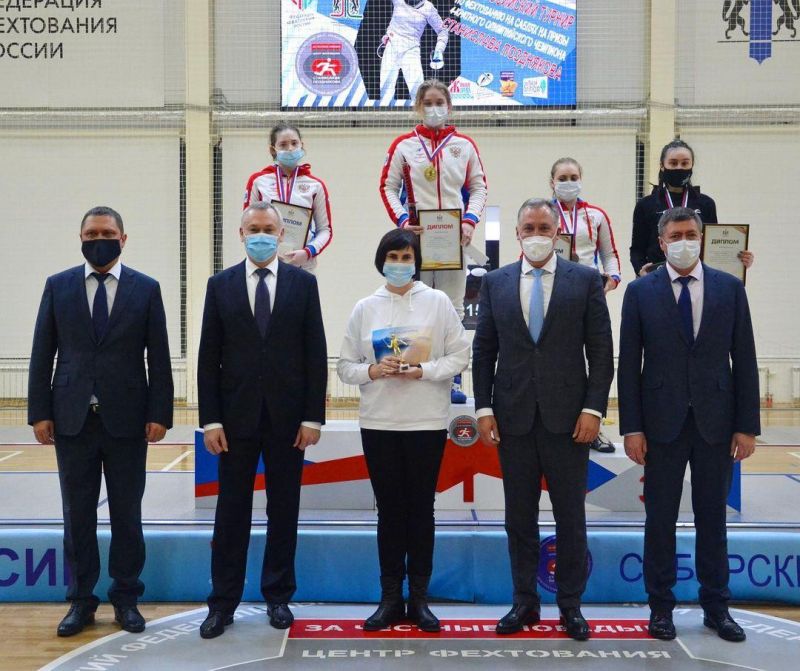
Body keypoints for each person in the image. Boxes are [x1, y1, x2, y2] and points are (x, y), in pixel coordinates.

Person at [28, 206, 173, 637]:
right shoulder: (58, 286)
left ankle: (126, 598)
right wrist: (39, 412)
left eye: (107, 233)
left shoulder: (146, 289)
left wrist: (160, 413)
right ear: (80, 238)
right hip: (71, 419)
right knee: (77, 516)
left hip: (128, 420)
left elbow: (159, 356)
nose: (99, 240)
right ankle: (81, 600)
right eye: (91, 234)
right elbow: (42, 352)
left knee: (127, 513)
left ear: (123, 239)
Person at [472, 198, 613, 641]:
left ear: (557, 233)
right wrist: (483, 408)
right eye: (529, 227)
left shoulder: (584, 281)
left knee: (571, 517)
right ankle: (524, 602)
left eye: (544, 227)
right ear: (518, 233)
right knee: (519, 518)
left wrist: (593, 409)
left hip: (569, 421)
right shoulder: (495, 282)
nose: (536, 234)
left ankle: (570, 605)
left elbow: (601, 352)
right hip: (512, 419)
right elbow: (484, 351)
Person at [618, 206, 760, 643]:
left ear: (702, 238)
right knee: (659, 519)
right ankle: (660, 607)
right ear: (662, 243)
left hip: (717, 422)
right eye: (676, 235)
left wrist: (747, 426)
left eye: (691, 234)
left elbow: (745, 358)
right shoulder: (639, 292)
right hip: (660, 424)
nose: (684, 241)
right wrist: (631, 427)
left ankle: (717, 607)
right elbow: (629, 364)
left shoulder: (730, 288)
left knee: (712, 518)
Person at [197, 201, 328, 639]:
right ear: (240, 233)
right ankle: (222, 603)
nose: (261, 235)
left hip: (288, 421)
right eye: (253, 228)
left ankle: (278, 596)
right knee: (230, 513)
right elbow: (208, 358)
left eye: (268, 229)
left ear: (281, 234)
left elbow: (315, 353)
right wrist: (211, 420)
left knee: (283, 509)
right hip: (234, 421)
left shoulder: (303, 284)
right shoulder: (219, 285)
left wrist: (313, 417)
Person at [338, 228, 470, 633]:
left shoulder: (438, 303)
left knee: (421, 510)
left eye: (406, 257)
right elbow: (345, 366)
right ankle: (391, 598)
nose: (399, 264)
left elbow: (460, 355)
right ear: (382, 261)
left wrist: (423, 370)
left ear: (417, 262)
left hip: (425, 422)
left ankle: (420, 599)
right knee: (390, 512)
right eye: (393, 257)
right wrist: (373, 370)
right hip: (379, 423)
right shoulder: (365, 307)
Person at [380, 78, 487, 402]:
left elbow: (479, 187)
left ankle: (452, 379)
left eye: (440, 102)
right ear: (417, 107)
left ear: (449, 106)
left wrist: (469, 221)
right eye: (427, 103)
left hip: (453, 241)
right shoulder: (403, 146)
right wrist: (403, 222)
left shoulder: (464, 145)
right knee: (413, 305)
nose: (434, 108)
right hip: (417, 242)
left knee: (454, 309)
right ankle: (413, 374)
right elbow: (387, 187)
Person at [550, 157, 621, 453]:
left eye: (573, 177)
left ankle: (595, 425)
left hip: (589, 295)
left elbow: (610, 254)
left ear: (581, 179)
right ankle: (556, 421)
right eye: (562, 178)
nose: (568, 183)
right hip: (552, 296)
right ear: (551, 182)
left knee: (597, 358)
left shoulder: (596, 215)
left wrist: (612, 279)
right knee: (558, 360)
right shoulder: (543, 213)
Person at [630, 139, 754, 277]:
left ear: (692, 165)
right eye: (673, 163)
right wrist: (641, 271)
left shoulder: (706, 203)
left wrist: (737, 260)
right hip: (658, 277)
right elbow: (637, 249)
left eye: (685, 163)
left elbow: (712, 246)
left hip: (698, 278)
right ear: (662, 165)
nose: (679, 168)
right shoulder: (646, 204)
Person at [243, 122, 333, 273]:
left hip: (303, 266)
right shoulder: (258, 181)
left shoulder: (315, 185)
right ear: (273, 149)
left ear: (301, 145)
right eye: (283, 145)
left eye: (294, 143)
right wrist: (261, 251)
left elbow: (325, 230)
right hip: (266, 263)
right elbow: (247, 224)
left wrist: (308, 252)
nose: (290, 148)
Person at [377, 0, 449, 106]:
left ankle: (422, 116)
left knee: (418, 94)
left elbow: (442, 31)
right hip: (392, 46)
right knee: (385, 91)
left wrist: (439, 50)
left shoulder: (428, 8)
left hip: (411, 51)